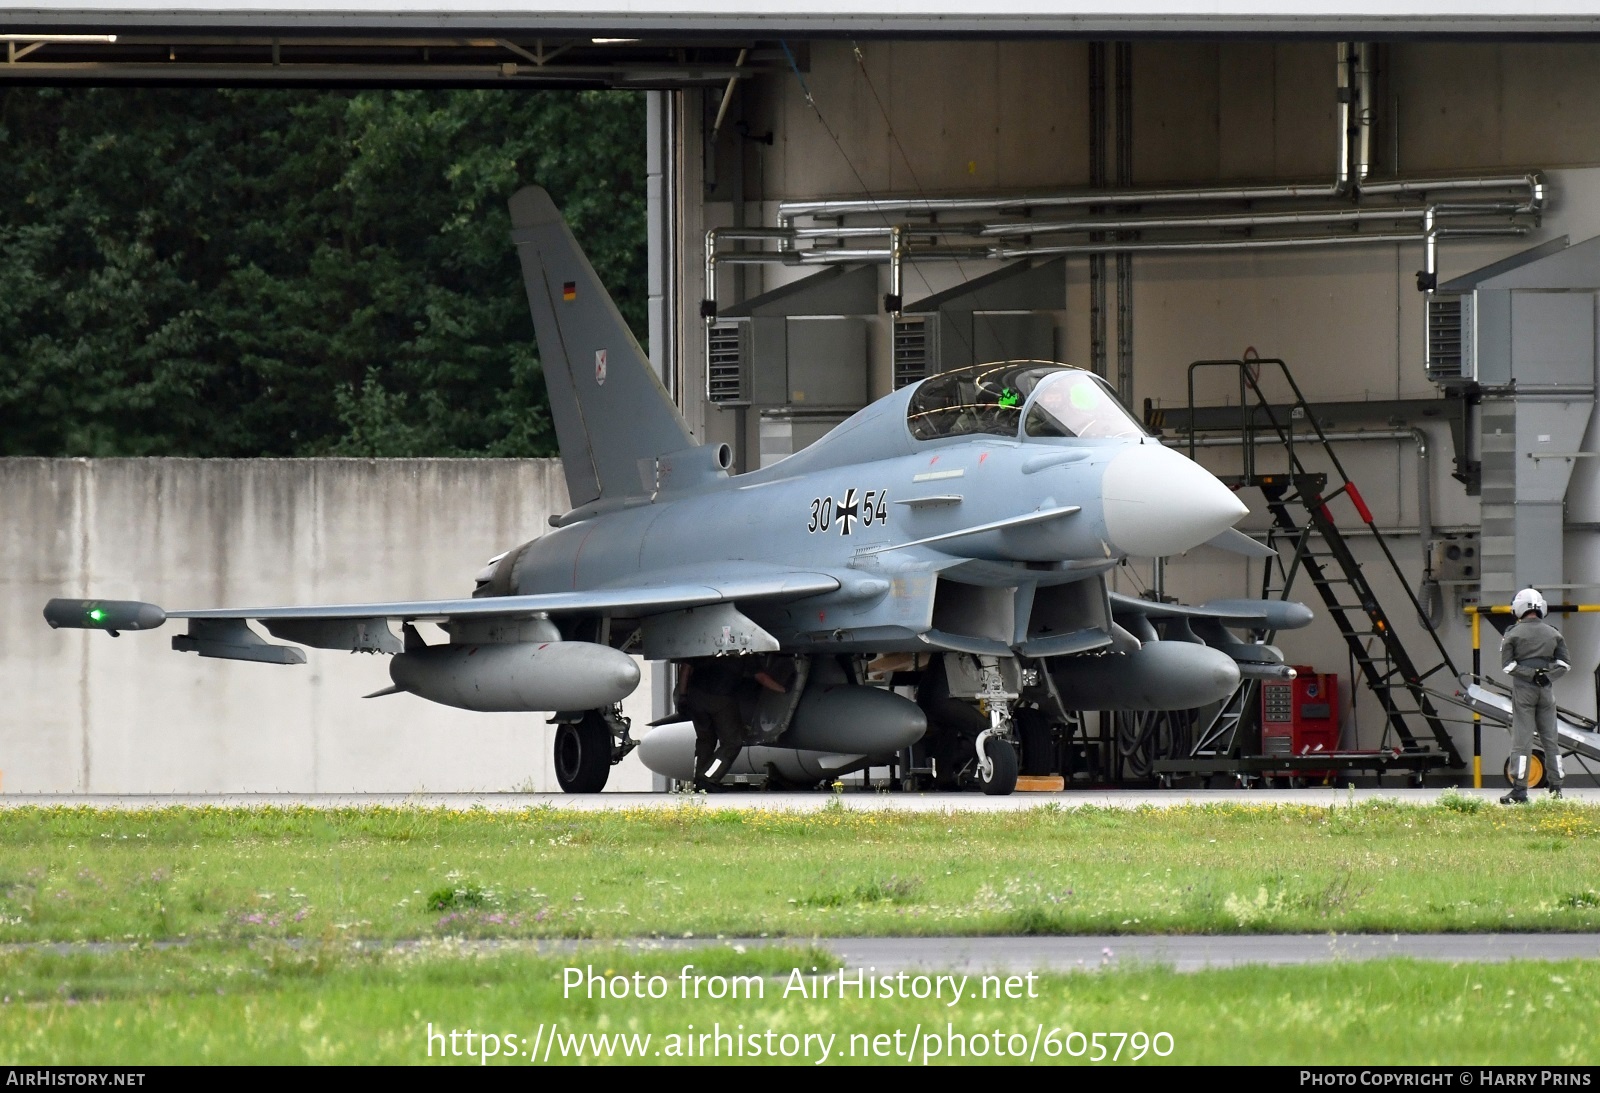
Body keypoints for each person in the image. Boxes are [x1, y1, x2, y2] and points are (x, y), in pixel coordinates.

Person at [1498, 588, 1572, 804]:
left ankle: (1520, 790)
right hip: (1547, 692)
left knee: (1522, 740)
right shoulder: (1553, 632)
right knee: (1551, 739)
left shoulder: (1513, 634)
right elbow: (1565, 664)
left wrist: (1530, 675)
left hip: (1524, 691)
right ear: (1541, 607)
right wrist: (1546, 677)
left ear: (1518, 608)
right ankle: (1556, 789)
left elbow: (1507, 666)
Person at [676, 655, 789, 790]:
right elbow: (761, 677)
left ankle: (699, 781)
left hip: (695, 697)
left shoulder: (707, 643)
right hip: (720, 698)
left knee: (705, 740)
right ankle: (708, 777)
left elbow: (686, 667)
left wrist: (683, 695)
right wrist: (783, 689)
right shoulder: (744, 650)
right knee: (732, 742)